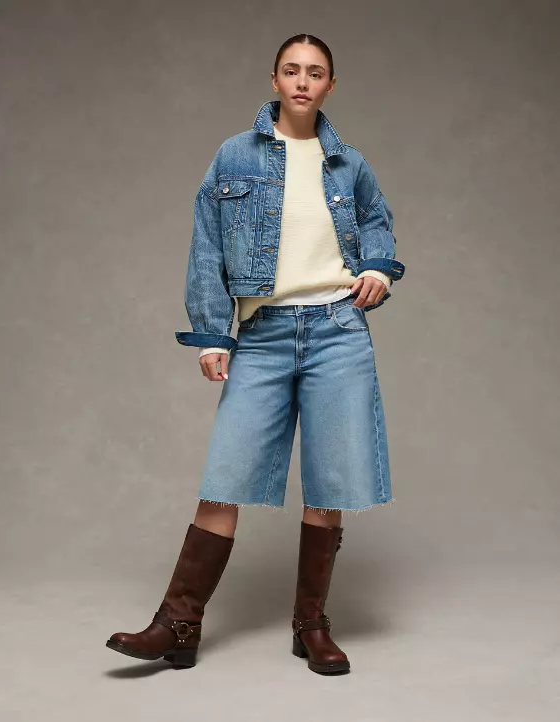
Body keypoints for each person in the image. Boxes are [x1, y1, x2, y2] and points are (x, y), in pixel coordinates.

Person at [106, 33, 405, 676]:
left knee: (329, 482)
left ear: (330, 85)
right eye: (291, 70)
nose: (302, 82)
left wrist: (378, 267)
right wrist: (214, 332)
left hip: (337, 331)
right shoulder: (234, 155)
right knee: (226, 477)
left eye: (315, 73)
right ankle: (177, 623)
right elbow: (207, 244)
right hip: (262, 335)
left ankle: (311, 625)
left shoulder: (348, 162)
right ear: (274, 79)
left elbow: (377, 220)